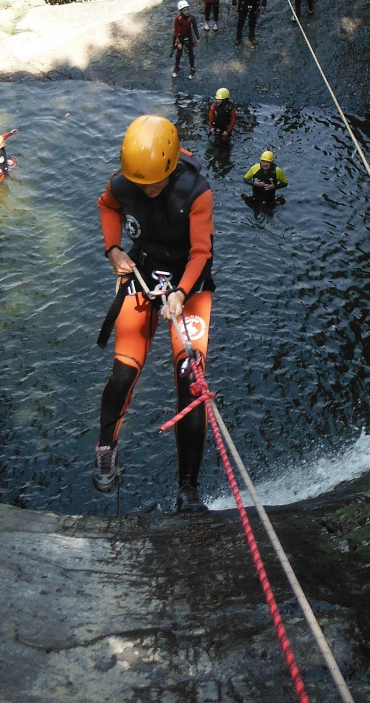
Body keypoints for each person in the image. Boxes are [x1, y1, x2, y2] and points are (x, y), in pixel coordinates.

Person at [94, 114, 214, 513]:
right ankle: (106, 450)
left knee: (190, 380)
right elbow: (107, 205)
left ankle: (188, 489)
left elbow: (201, 253)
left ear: (169, 165)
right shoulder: (125, 183)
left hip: (189, 282)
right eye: (139, 184)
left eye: (152, 183)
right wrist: (113, 249)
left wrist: (180, 293)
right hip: (144, 270)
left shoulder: (195, 192)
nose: (145, 191)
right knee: (124, 369)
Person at [172, 0, 199, 80]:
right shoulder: (178, 19)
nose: (187, 12)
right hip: (180, 37)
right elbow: (176, 30)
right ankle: (176, 68)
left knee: (191, 54)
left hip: (189, 37)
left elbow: (195, 27)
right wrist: (179, 42)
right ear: (181, 11)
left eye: (188, 9)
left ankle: (192, 69)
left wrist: (197, 38)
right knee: (178, 54)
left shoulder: (191, 18)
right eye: (184, 10)